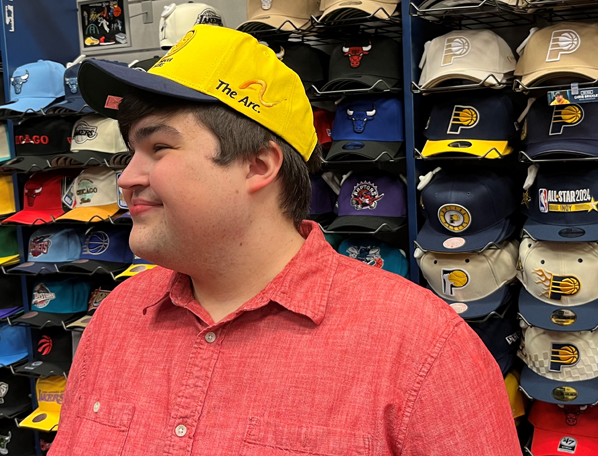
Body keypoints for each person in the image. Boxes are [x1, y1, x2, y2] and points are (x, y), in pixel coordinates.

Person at [49, 25, 519, 455]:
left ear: (258, 164)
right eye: (132, 150)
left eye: (159, 148)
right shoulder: (116, 319)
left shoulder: (422, 349)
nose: (127, 178)